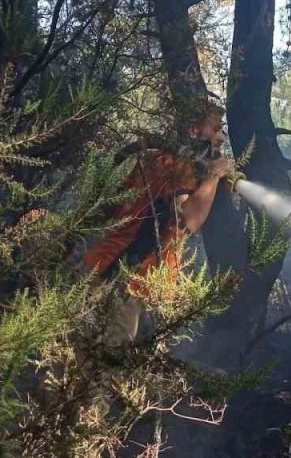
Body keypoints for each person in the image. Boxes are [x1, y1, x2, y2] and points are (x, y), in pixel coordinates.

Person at [82, 101, 232, 344]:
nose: (221, 137)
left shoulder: (157, 160)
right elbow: (188, 220)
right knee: (104, 368)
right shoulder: (178, 167)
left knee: (72, 361)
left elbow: (111, 210)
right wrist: (215, 175)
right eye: (215, 129)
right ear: (193, 130)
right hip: (126, 282)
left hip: (100, 269)